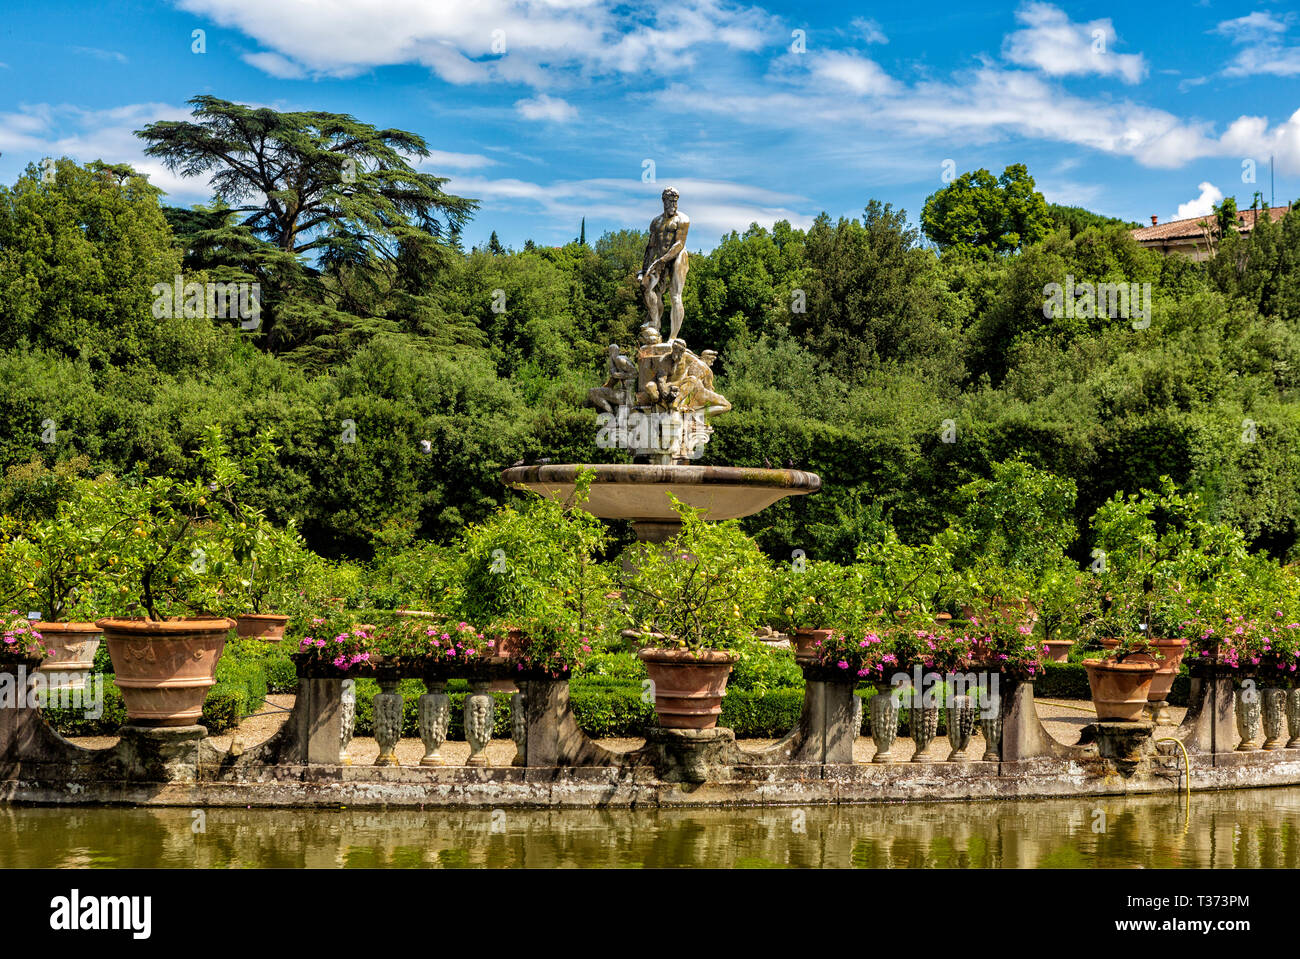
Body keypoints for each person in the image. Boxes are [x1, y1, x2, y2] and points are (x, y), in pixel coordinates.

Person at [637, 188, 691, 343]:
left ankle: (673, 337)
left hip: (677, 257)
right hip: (660, 257)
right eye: (669, 200)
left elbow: (679, 243)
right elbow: (651, 246)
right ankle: (655, 323)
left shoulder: (683, 219)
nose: (672, 203)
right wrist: (645, 269)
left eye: (675, 200)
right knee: (646, 287)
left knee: (675, 296)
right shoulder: (656, 222)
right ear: (663, 201)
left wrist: (661, 261)